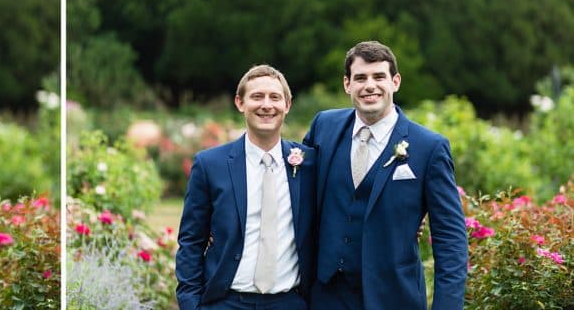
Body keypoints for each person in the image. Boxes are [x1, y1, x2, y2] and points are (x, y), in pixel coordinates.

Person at [303, 40, 467, 310]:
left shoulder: (429, 147)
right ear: (347, 84)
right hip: (325, 295)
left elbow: (451, 239)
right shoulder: (324, 127)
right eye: (360, 78)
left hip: (393, 296)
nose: (370, 86)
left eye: (379, 76)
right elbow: (293, 186)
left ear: (396, 81)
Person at [176, 64, 316, 310]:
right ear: (240, 103)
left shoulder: (310, 163)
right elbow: (191, 241)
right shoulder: (210, 164)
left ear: (288, 104)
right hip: (226, 301)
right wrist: (191, 303)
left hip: (289, 301)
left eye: (275, 97)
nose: (266, 105)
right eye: (257, 96)